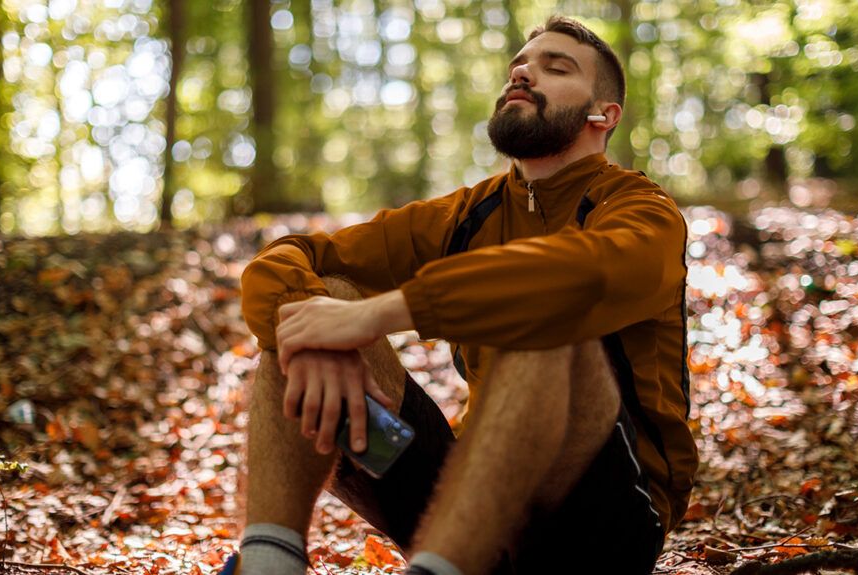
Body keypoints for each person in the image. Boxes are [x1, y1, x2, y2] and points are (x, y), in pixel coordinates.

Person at [227, 14, 697, 575]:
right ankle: (267, 563)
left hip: (602, 523)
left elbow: (586, 276)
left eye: (556, 67)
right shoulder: (469, 213)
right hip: (467, 514)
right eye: (519, 66)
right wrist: (319, 339)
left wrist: (384, 312)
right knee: (316, 297)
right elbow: (291, 256)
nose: (522, 74)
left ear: (604, 114)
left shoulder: (642, 210)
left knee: (545, 315)